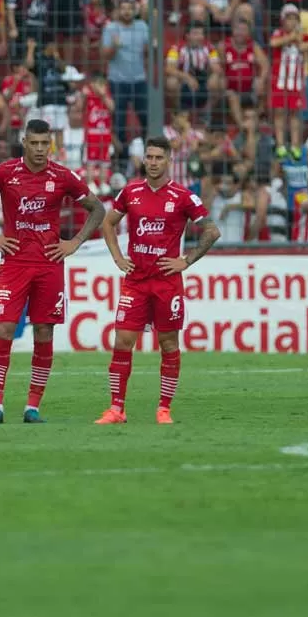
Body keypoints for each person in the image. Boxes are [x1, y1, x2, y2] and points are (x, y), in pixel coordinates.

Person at [0, 120, 106, 423]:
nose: (41, 149)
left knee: (44, 332)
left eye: (46, 143)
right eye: (35, 143)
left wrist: (75, 243)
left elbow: (97, 209)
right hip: (14, 264)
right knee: (5, 328)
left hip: (49, 265)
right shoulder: (5, 172)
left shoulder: (62, 176)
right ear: (24, 142)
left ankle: (32, 406)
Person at [96, 137, 221, 425]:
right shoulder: (131, 192)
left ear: (169, 161)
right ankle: (117, 409)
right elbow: (107, 222)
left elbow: (211, 231)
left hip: (167, 283)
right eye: (149, 157)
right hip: (136, 281)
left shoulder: (183, 196)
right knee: (123, 341)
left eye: (158, 158)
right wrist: (117, 257)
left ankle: (164, 409)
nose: (152, 163)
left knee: (168, 344)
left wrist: (185, 261)